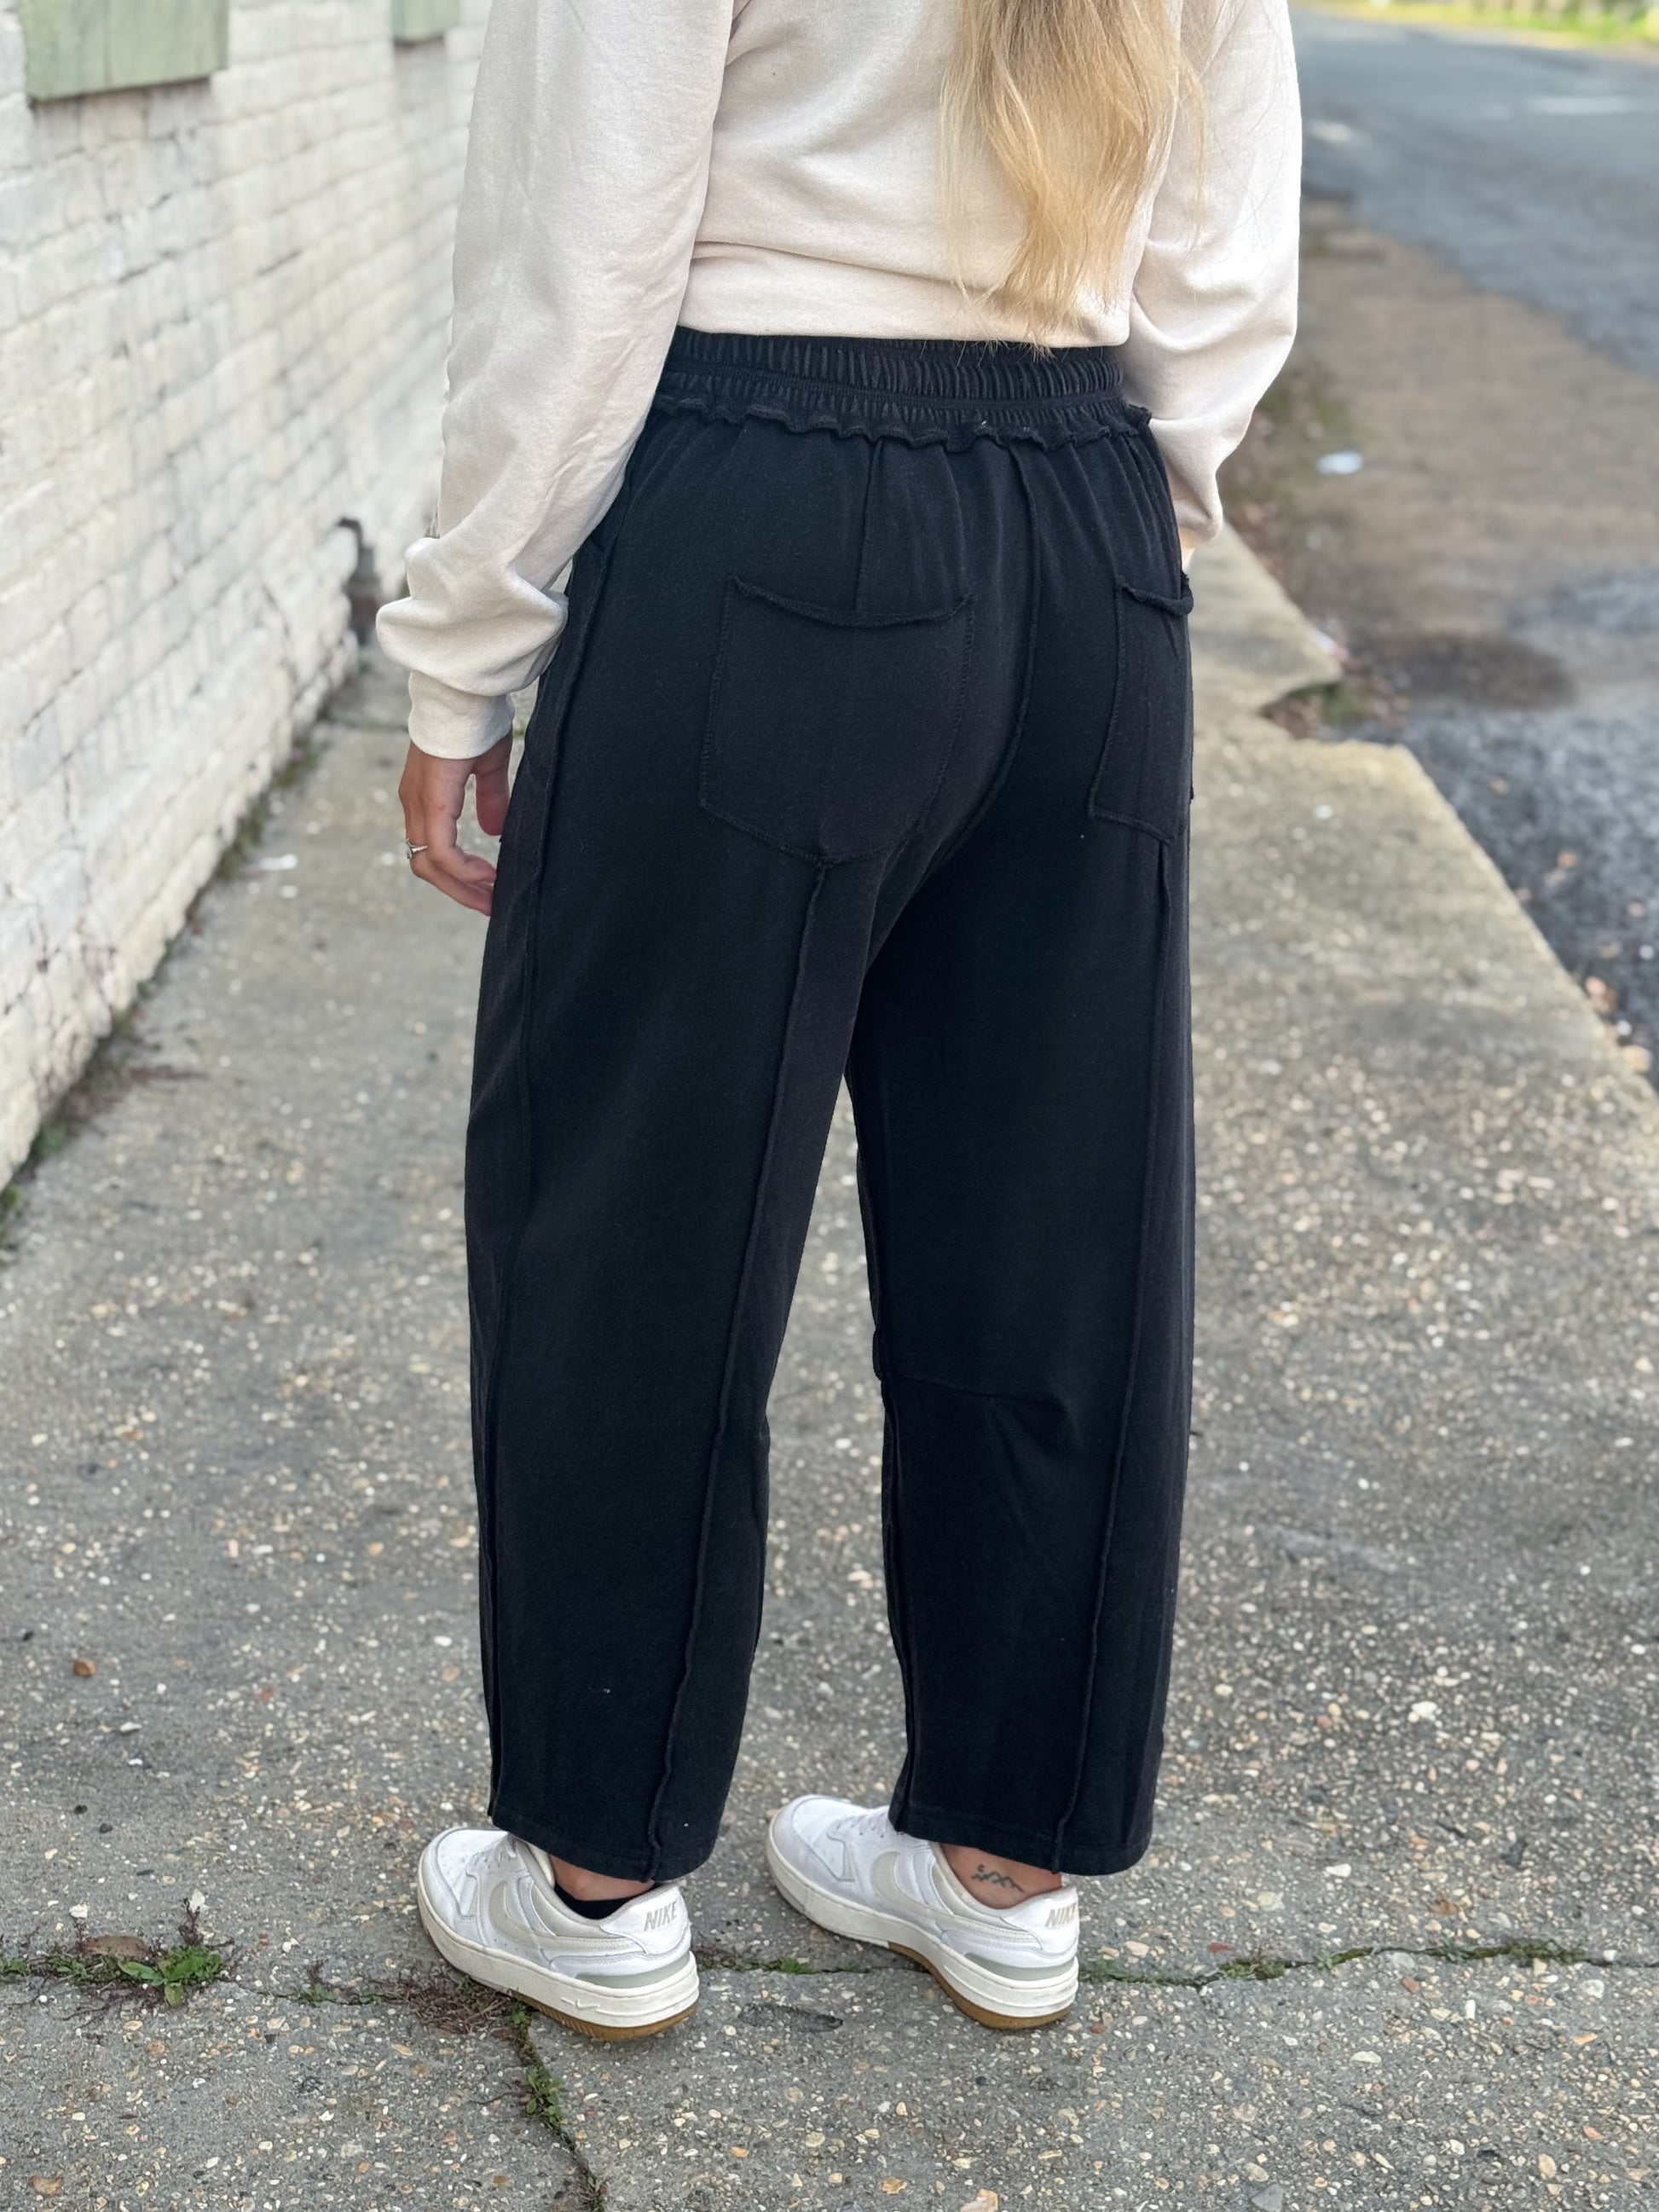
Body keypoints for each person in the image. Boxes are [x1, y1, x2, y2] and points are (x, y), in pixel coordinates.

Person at [377, 0, 1299, 2041]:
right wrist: (1112, 519)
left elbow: (583, 250)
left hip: (756, 500)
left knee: (639, 1211)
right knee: (1053, 1229)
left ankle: (599, 1879)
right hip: (1083, 519)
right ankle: (1002, 1868)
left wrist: (465, 648)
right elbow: (1226, 244)